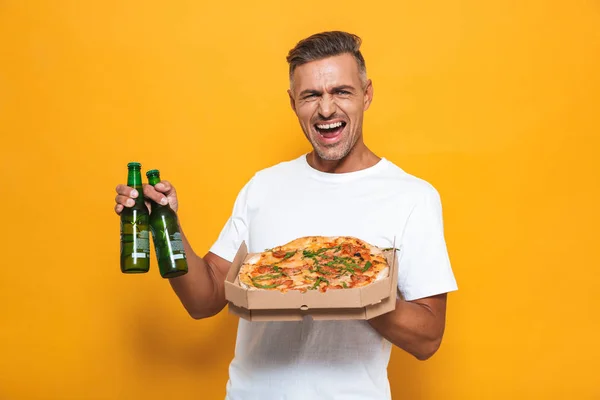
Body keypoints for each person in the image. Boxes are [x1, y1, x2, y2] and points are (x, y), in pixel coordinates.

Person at [114, 31, 458, 400]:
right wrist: (167, 227)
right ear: (293, 103)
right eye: (311, 95)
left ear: (367, 94)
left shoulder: (411, 196)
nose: (327, 110)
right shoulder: (264, 186)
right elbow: (205, 299)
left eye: (341, 91)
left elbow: (428, 337)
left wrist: (349, 287)